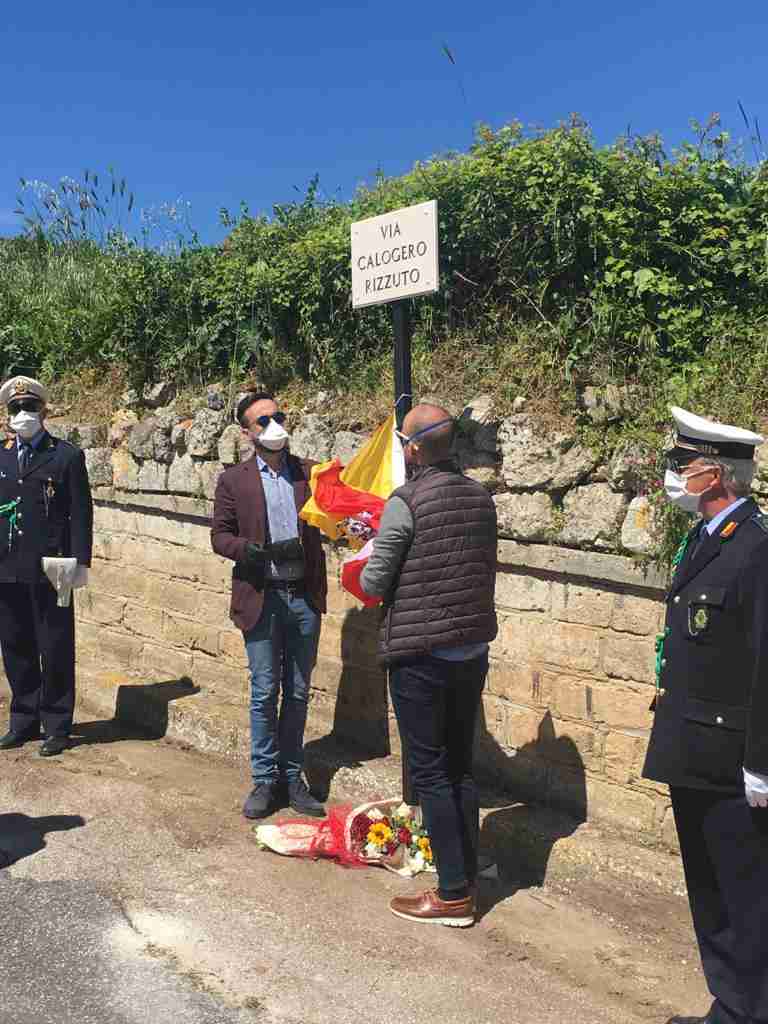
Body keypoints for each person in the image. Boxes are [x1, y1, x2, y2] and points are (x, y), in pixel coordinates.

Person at [643, 405, 768, 1024]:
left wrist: (762, 765)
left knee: (745, 893)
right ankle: (731, 1006)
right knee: (709, 888)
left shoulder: (755, 550)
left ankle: (751, 1009)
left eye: (680, 463)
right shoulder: (704, 537)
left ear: (715, 474)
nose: (671, 473)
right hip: (693, 747)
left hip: (732, 757)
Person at [360, 403, 497, 927]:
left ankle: (453, 894)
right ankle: (465, 863)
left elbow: (374, 585)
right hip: (471, 651)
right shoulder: (481, 498)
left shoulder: (406, 502)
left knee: (431, 771)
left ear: (412, 447)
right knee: (462, 764)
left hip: (420, 655)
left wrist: (366, 552)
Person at [211, 392, 327, 820]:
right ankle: (264, 779)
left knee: (297, 692)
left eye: (278, 416)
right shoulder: (234, 481)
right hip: (261, 598)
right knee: (265, 692)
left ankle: (292, 777)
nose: (274, 426)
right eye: (263, 421)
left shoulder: (310, 473)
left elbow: (338, 512)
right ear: (247, 432)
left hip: (303, 597)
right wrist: (253, 551)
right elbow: (219, 536)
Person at [0, 375, 93, 757]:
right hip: (6, 569)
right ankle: (23, 720)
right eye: (16, 408)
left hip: (52, 569)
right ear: (6, 414)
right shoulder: (2, 456)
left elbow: (80, 515)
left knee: (54, 647)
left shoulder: (66, 456)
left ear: (44, 411)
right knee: (15, 647)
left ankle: (57, 724)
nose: (23, 414)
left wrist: (80, 564)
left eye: (30, 407)